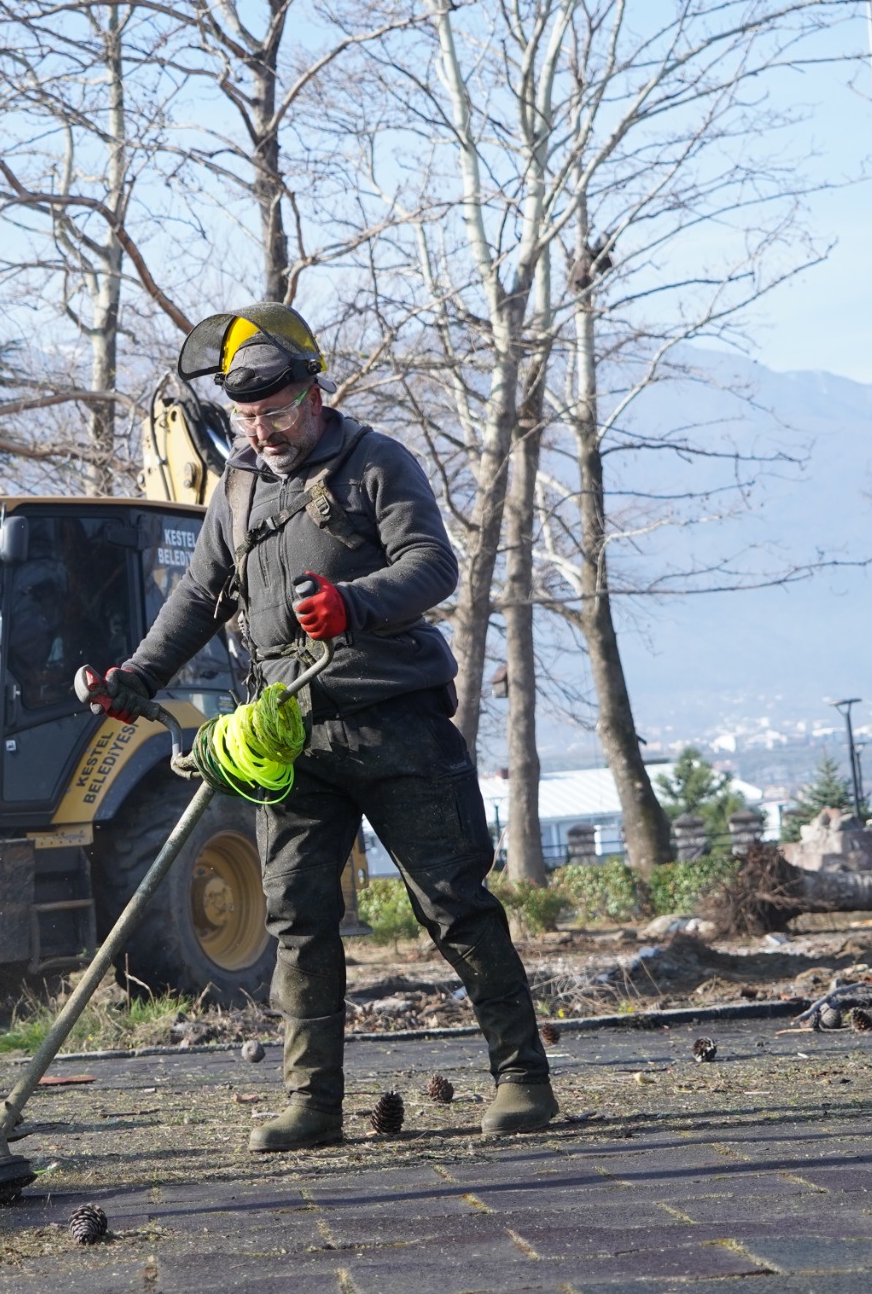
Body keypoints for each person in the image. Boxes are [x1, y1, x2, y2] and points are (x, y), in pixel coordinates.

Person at [78, 303, 558, 1149]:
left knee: (453, 904)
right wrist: (136, 678)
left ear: (314, 394)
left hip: (396, 725)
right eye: (246, 418)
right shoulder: (236, 489)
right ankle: (312, 1104)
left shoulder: (376, 463)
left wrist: (354, 604)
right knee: (297, 919)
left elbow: (433, 564)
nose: (260, 432)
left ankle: (522, 1079)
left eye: (275, 413)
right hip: (290, 740)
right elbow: (197, 597)